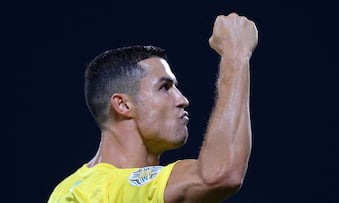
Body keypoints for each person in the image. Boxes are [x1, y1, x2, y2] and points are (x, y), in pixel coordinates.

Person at [48, 12, 258, 203]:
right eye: (164, 87)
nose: (183, 99)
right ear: (123, 104)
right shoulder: (95, 191)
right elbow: (220, 175)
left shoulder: (73, 189)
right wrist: (235, 54)